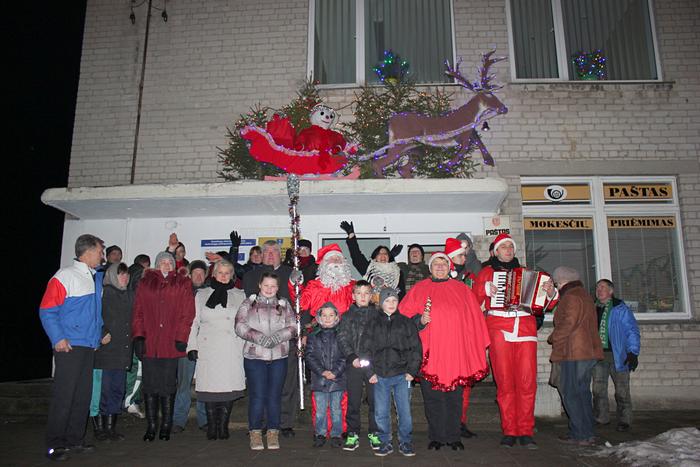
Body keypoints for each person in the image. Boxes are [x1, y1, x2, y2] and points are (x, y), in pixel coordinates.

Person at [400, 252, 491, 451]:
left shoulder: (462, 289)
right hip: (429, 354)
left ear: (449, 268)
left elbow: (474, 320)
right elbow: (403, 319)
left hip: (455, 354)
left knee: (454, 398)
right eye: (436, 264)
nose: (440, 267)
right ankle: (437, 437)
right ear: (430, 268)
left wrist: (474, 347)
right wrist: (419, 321)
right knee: (432, 398)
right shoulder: (419, 289)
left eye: (444, 264)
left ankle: (453, 436)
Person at [474, 233, 557, 449]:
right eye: (504, 247)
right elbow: (474, 299)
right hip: (499, 330)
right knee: (505, 383)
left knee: (527, 383)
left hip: (526, 330)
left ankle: (526, 431)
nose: (508, 250)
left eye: (511, 247)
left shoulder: (527, 272)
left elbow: (545, 303)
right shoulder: (486, 272)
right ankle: (510, 430)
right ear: (495, 251)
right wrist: (485, 289)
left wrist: (550, 292)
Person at [39, 234, 105, 461]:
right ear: (88, 252)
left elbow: (94, 315)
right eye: (100, 252)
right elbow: (47, 310)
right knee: (64, 396)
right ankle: (55, 444)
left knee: (82, 396)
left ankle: (75, 439)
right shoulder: (65, 275)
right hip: (69, 346)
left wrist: (96, 338)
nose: (102, 256)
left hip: (87, 345)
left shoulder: (94, 278)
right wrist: (58, 338)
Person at [131, 251, 195, 442]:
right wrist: (139, 336)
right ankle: (151, 425)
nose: (166, 264)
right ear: (157, 264)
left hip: (170, 343)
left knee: (167, 386)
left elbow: (187, 312)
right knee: (150, 386)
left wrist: (181, 337)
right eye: (163, 262)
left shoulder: (182, 282)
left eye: (170, 262)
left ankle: (166, 425)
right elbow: (138, 311)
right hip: (150, 343)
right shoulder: (145, 283)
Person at [235, 272, 297, 450]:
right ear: (260, 285)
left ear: (277, 288)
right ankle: (255, 432)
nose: (269, 289)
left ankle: (273, 432)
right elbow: (239, 325)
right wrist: (259, 338)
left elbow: (293, 326)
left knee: (274, 396)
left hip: (278, 357)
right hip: (255, 357)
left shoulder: (284, 304)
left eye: (273, 286)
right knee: (257, 396)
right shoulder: (249, 303)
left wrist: (277, 337)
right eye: (266, 285)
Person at [187, 260, 247, 440]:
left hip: (231, 347)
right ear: (213, 274)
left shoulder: (240, 295)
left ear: (232, 275)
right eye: (220, 272)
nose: (223, 276)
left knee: (228, 388)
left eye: (227, 273)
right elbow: (194, 322)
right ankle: (212, 426)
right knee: (210, 389)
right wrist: (192, 346)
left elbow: (245, 323)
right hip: (209, 347)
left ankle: (223, 426)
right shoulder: (201, 295)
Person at [360, 288, 422, 457]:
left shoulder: (406, 323)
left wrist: (412, 370)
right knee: (381, 412)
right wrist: (369, 372)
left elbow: (416, 348)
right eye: (387, 301)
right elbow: (364, 350)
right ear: (381, 303)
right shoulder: (372, 324)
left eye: (394, 300)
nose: (391, 304)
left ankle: (405, 441)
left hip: (402, 375)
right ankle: (385, 442)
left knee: (404, 411)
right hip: (380, 375)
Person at [548, 266, 603, 446]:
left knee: (571, 394)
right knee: (583, 393)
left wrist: (553, 337)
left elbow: (568, 323)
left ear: (562, 281)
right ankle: (587, 432)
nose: (556, 286)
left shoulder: (570, 297)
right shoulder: (583, 295)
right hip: (586, 352)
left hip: (573, 352)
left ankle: (579, 434)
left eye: (557, 283)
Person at [336, 280, 381, 451]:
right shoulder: (347, 316)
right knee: (353, 400)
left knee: (375, 400)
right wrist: (351, 356)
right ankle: (353, 432)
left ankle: (374, 431)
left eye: (366, 293)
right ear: (353, 296)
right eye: (359, 293)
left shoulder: (378, 316)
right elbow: (342, 338)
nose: (363, 296)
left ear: (371, 296)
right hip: (354, 364)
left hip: (373, 366)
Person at [592, 279, 640, 432]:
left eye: (603, 287)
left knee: (622, 391)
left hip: (619, 356)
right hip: (598, 356)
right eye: (597, 288)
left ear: (611, 291)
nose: (599, 290)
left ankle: (625, 420)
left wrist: (633, 352)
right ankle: (601, 418)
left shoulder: (620, 308)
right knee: (598, 390)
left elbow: (632, 330)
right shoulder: (592, 308)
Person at [93, 262, 134, 442]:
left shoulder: (130, 295)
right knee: (104, 391)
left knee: (117, 390)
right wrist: (101, 333)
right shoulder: (104, 293)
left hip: (123, 351)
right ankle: (100, 429)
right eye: (120, 274)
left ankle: (111, 428)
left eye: (126, 274)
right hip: (106, 351)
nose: (125, 277)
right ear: (111, 276)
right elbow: (94, 315)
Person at [445, 236, 480, 438]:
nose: (464, 258)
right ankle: (447, 422)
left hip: (466, 336)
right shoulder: (442, 279)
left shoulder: (471, 277)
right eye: (460, 255)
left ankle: (460, 422)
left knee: (464, 383)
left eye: (464, 255)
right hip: (447, 338)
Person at [172, 260, 210, 434]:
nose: (199, 276)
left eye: (202, 273)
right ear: (190, 274)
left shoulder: (210, 293)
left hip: (204, 344)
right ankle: (179, 420)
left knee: (203, 383)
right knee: (183, 384)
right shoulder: (181, 291)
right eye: (195, 273)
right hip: (185, 343)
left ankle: (204, 419)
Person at [306, 302, 346, 448]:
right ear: (319, 317)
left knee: (336, 409)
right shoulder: (313, 336)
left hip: (337, 379)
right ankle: (320, 433)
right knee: (320, 410)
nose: (327, 318)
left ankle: (336, 434)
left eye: (331, 315)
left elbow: (345, 356)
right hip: (319, 379)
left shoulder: (341, 335)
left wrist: (335, 372)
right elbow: (309, 356)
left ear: (336, 317)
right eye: (324, 315)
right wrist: (322, 371)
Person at [339, 220, 405, 298]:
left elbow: (401, 293)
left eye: (385, 254)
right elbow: (356, 256)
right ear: (375, 257)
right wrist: (351, 235)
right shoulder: (369, 268)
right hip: (371, 304)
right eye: (379, 254)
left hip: (391, 304)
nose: (383, 256)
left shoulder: (397, 272)